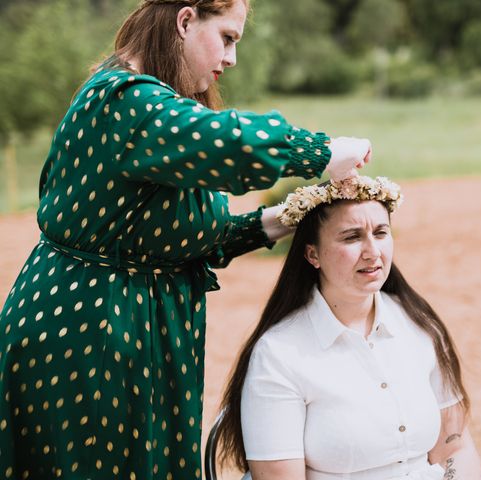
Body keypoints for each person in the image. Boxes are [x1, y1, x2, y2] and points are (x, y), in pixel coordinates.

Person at [0, 0, 373, 478]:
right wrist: (321, 151)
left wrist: (278, 219)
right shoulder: (123, 101)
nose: (231, 58)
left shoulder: (155, 107)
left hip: (138, 327)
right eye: (228, 38)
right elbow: (227, 141)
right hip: (89, 332)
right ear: (185, 20)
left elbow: (184, 239)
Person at [215, 176, 481, 480]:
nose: (372, 252)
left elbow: (454, 449)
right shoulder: (278, 353)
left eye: (381, 233)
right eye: (352, 237)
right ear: (312, 254)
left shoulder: (419, 323)